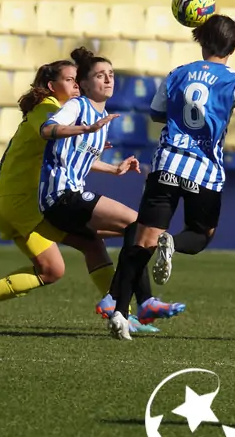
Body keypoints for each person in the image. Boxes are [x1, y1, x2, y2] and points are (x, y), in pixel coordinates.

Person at [0, 57, 179, 334]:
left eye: (77, 79)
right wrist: (84, 130)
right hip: (23, 201)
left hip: (12, 200)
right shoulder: (48, 107)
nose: (76, 85)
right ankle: (124, 307)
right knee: (125, 230)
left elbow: (67, 151)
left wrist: (106, 163)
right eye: (70, 80)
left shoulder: (68, 112)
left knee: (61, 264)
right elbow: (49, 132)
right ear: (52, 86)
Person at [106, 14, 235, 340]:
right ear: (234, 46)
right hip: (203, 171)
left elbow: (156, 114)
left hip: (166, 165)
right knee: (202, 233)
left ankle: (119, 312)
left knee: (141, 241)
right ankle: (172, 242)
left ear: (200, 40)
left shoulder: (178, 73)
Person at [38, 47, 185, 333]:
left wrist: (114, 168)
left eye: (111, 75)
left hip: (68, 200)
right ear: (84, 84)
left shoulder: (100, 117)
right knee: (137, 223)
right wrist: (84, 129)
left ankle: (143, 302)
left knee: (136, 232)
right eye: (100, 76)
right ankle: (118, 298)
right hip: (60, 197)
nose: (108, 80)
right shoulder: (77, 107)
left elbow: (80, 157)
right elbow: (47, 129)